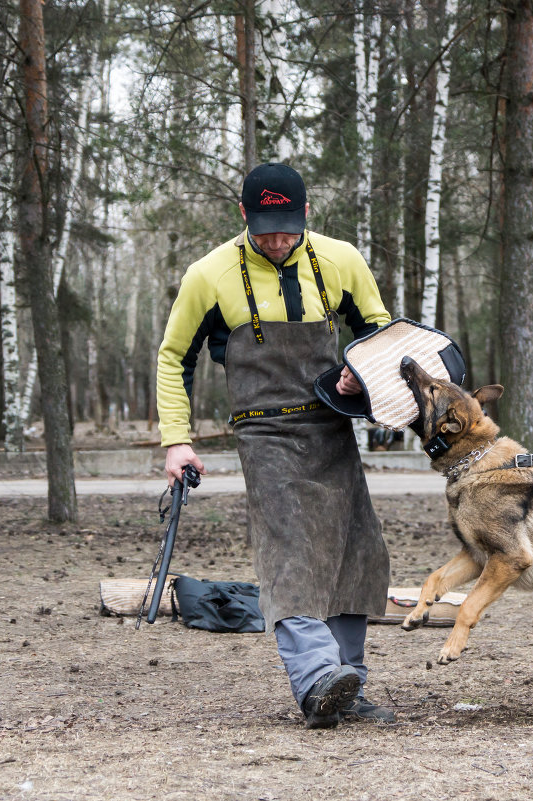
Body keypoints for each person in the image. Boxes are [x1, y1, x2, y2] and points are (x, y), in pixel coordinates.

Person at [156, 163, 395, 729]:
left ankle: (348, 684)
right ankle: (317, 681)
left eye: (288, 228)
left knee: (354, 552)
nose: (278, 240)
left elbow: (381, 336)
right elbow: (173, 358)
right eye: (266, 230)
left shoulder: (341, 261)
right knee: (291, 551)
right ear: (244, 216)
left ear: (306, 214)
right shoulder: (209, 274)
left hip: (330, 426)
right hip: (264, 433)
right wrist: (176, 440)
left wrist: (361, 374)